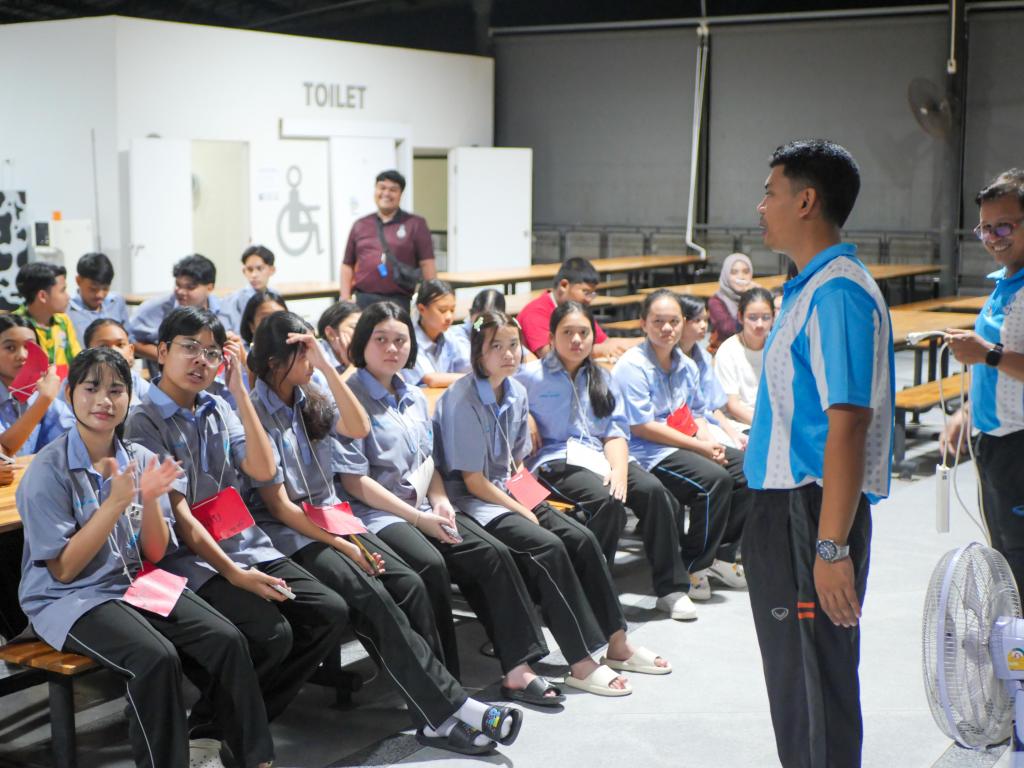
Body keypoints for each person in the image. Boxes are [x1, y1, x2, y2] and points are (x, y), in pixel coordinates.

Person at [246, 311, 523, 756]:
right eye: (303, 353)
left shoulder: (309, 394)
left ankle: (439, 707)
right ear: (275, 359)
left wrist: (326, 365)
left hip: (332, 519)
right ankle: (448, 709)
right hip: (291, 533)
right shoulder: (254, 409)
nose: (311, 361)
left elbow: (357, 427)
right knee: (372, 597)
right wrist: (341, 544)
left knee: (409, 583)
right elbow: (279, 506)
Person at [17, 348, 275, 768]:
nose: (104, 400)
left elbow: (154, 552)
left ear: (129, 397)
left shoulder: (140, 458)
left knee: (226, 639)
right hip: (69, 598)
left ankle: (255, 759)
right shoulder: (48, 470)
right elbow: (63, 570)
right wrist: (115, 504)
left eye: (116, 390)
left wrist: (151, 499)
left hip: (131, 580)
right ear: (69, 394)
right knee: (155, 658)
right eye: (91, 388)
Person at [124, 306, 350, 753]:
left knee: (329, 611)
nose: (201, 360)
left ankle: (229, 724)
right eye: (190, 348)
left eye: (211, 353)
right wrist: (234, 574)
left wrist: (240, 392)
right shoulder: (143, 420)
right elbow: (181, 518)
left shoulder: (218, 407)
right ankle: (224, 729)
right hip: (185, 560)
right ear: (162, 351)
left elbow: (263, 470)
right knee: (272, 634)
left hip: (242, 543)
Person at [745, 139, 893, 768]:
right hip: (785, 509)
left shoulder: (837, 294)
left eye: (770, 193)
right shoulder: (808, 288)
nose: (761, 207)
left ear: (806, 201)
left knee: (813, 688)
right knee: (796, 686)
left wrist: (831, 549)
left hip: (808, 513)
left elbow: (849, 424)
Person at [337, 302, 564, 708]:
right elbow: (356, 482)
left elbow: (428, 462)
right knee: (431, 565)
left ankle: (518, 668)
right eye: (380, 339)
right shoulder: (350, 397)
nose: (392, 348)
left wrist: (440, 502)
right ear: (362, 344)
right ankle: (447, 688)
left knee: (491, 553)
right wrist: (418, 516)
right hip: (378, 514)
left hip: (423, 505)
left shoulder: (410, 394)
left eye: (400, 340)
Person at [434, 310, 671, 696]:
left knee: (582, 539)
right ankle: (581, 662)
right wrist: (524, 510)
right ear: (478, 352)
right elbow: (474, 481)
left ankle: (617, 643)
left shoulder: (515, 391)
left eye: (513, 345)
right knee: (550, 546)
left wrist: (532, 500)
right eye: (496, 346)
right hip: (473, 502)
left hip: (509, 489)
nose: (508, 353)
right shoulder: (463, 399)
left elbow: (514, 464)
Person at [517, 301, 696, 620]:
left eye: (583, 332)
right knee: (606, 501)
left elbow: (614, 433)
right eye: (567, 332)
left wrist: (620, 470)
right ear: (552, 336)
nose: (576, 340)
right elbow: (505, 409)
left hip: (597, 456)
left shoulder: (601, 376)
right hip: (555, 461)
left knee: (654, 492)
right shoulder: (529, 376)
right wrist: (526, 415)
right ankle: (591, 592)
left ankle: (671, 589)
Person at [612, 289, 750, 605]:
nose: (667, 328)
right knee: (714, 481)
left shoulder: (686, 365)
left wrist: (709, 442)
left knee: (748, 469)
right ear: (643, 323)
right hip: (646, 451)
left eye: (674, 321)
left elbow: (695, 412)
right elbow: (641, 426)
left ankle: (720, 556)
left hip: (683, 442)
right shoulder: (632, 365)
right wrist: (699, 448)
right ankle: (693, 565)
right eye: (658, 321)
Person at [942, 168, 1024, 590]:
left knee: (1020, 558)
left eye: (1004, 226)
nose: (993, 238)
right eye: (985, 229)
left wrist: (987, 353)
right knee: (1004, 555)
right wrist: (968, 411)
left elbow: (997, 358)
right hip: (993, 441)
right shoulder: (1004, 282)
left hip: (1020, 444)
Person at [340, 170, 437, 312]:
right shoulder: (360, 224)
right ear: (375, 190)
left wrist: (431, 301)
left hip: (400, 301)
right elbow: (347, 264)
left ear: (401, 194)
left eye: (393, 189)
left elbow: (427, 263)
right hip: (363, 300)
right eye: (382, 188)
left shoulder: (415, 224)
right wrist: (344, 299)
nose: (386, 193)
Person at [127, 254, 234, 366]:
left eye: (190, 287)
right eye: (178, 285)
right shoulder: (155, 309)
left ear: (209, 287)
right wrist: (169, 357)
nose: (181, 292)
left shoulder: (226, 310)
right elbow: (129, 340)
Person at [516, 257, 631, 360]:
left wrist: (640, 343)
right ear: (564, 285)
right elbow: (548, 354)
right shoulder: (535, 312)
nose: (589, 299)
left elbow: (606, 342)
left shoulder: (577, 311)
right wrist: (598, 350)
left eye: (592, 294)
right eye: (586, 292)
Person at [676, 294, 750, 452]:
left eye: (705, 320)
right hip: (684, 430)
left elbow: (714, 407)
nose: (704, 325)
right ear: (681, 322)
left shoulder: (703, 357)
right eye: (697, 320)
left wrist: (733, 435)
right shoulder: (669, 359)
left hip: (709, 425)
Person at [0, 313, 74, 456]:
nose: (22, 355)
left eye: (30, 347)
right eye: (10, 348)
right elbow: (4, 453)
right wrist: (44, 399)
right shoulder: (44, 396)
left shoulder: (42, 395)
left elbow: (73, 445)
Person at [714, 287, 775, 426]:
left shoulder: (778, 346)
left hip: (774, 420)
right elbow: (733, 406)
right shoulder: (728, 350)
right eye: (752, 318)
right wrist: (766, 426)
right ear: (740, 317)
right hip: (739, 423)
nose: (759, 324)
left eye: (766, 317)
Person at [14, 261, 80, 376]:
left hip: (62, 385)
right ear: (43, 296)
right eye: (62, 290)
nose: (68, 296)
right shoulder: (14, 325)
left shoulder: (63, 321)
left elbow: (77, 360)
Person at [405, 279, 465, 387]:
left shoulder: (450, 336)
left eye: (452, 310)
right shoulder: (410, 341)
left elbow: (467, 365)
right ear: (422, 309)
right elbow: (432, 379)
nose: (449, 317)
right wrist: (473, 378)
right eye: (442, 310)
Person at [82, 319, 150, 405]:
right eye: (103, 346)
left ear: (131, 351)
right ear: (87, 353)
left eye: (120, 345)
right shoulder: (78, 385)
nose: (114, 351)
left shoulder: (135, 381)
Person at [66, 252, 129, 344]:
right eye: (93, 289)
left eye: (105, 289)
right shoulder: (67, 309)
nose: (100, 295)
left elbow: (128, 338)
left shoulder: (116, 302)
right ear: (78, 280)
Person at [223, 246, 277, 334]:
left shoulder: (275, 295)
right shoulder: (234, 300)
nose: (254, 275)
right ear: (244, 271)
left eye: (260, 268)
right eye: (249, 269)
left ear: (272, 270)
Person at [707, 252, 755, 351]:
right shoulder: (716, 301)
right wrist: (747, 298)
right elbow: (729, 329)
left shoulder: (756, 297)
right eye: (734, 272)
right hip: (725, 352)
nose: (741, 277)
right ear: (725, 274)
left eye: (746, 272)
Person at [451, 289, 505, 366]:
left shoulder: (505, 333)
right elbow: (468, 365)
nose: (484, 325)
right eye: (481, 319)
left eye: (490, 320)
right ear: (471, 314)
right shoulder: (456, 337)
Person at [316, 300, 361, 377]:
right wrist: (353, 365)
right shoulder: (316, 358)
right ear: (330, 334)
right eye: (355, 327)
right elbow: (328, 386)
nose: (362, 333)